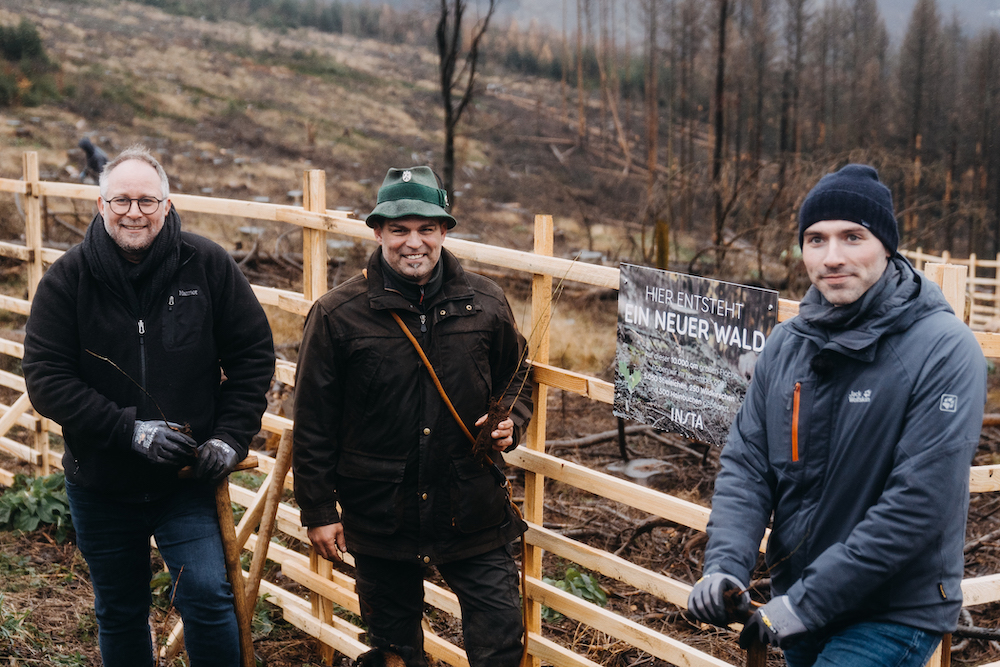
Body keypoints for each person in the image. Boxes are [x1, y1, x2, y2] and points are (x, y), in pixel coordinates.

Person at [687, 164, 987, 666]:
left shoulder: (943, 350)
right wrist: (726, 568)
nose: (832, 257)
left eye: (853, 237)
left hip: (891, 610)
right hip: (800, 601)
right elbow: (747, 465)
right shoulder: (786, 345)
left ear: (887, 246)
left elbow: (918, 506)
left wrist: (802, 605)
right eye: (815, 239)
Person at [23, 145, 275, 667]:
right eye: (121, 201)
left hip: (184, 480)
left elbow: (252, 358)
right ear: (100, 205)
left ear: (166, 204)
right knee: (120, 609)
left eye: (146, 201)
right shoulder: (68, 279)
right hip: (101, 481)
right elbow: (46, 379)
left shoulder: (206, 266)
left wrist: (229, 437)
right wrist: (128, 430)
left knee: (207, 596)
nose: (133, 212)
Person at [293, 166, 533, 667]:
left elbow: (517, 374)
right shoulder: (338, 314)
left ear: (445, 231)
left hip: (472, 505)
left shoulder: (484, 303)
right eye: (399, 230)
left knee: (501, 644)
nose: (413, 243)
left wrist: (512, 421)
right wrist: (318, 511)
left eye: (426, 228)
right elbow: (313, 422)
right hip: (381, 512)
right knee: (395, 652)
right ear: (378, 231)